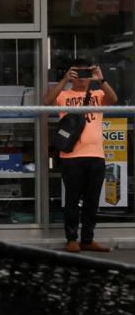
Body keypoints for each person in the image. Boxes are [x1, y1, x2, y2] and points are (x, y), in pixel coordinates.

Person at [48, 59, 118, 253]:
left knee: (92, 200)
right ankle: (71, 239)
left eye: (85, 74)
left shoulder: (98, 93)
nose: (82, 79)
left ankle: (88, 239)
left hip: (96, 155)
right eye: (78, 74)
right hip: (71, 157)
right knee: (71, 199)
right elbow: (46, 102)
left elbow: (114, 99)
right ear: (72, 75)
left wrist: (100, 79)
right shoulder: (64, 95)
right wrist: (64, 80)